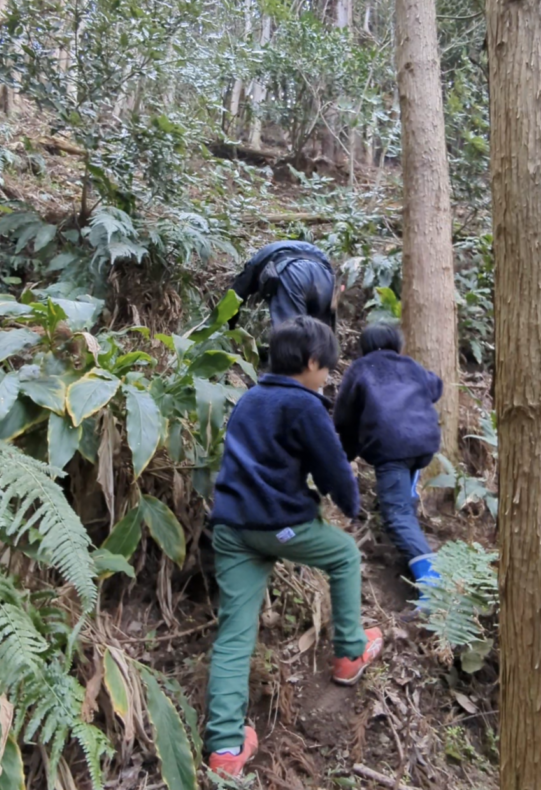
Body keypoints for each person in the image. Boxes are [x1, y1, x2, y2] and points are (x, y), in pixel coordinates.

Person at [205, 316, 384, 778]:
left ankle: (225, 749)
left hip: (231, 527)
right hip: (279, 524)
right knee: (343, 554)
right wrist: (351, 505)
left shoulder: (250, 398)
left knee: (234, 636)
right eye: (327, 367)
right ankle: (349, 653)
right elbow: (333, 469)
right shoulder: (305, 405)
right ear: (311, 361)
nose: (327, 376)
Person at [333, 323, 442, 589]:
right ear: (396, 343)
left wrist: (345, 455)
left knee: (396, 515)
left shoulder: (360, 369)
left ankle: (433, 585)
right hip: (424, 445)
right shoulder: (410, 365)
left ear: (364, 345)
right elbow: (436, 387)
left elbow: (343, 418)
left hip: (392, 448)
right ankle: (411, 523)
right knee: (404, 500)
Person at [229, 239, 337, 329]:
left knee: (289, 336)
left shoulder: (254, 264)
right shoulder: (307, 249)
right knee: (321, 335)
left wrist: (229, 328)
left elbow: (234, 298)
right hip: (324, 277)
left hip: (292, 273)